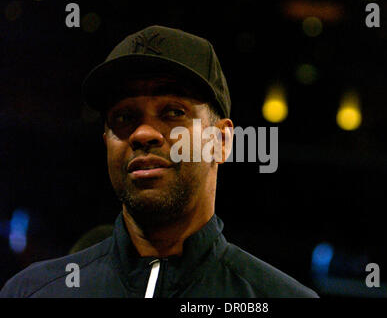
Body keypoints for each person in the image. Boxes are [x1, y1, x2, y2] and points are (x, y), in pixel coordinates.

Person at [0, 25, 318, 298]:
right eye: (124, 117)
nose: (143, 133)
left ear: (221, 142)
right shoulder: (33, 291)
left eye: (173, 113)